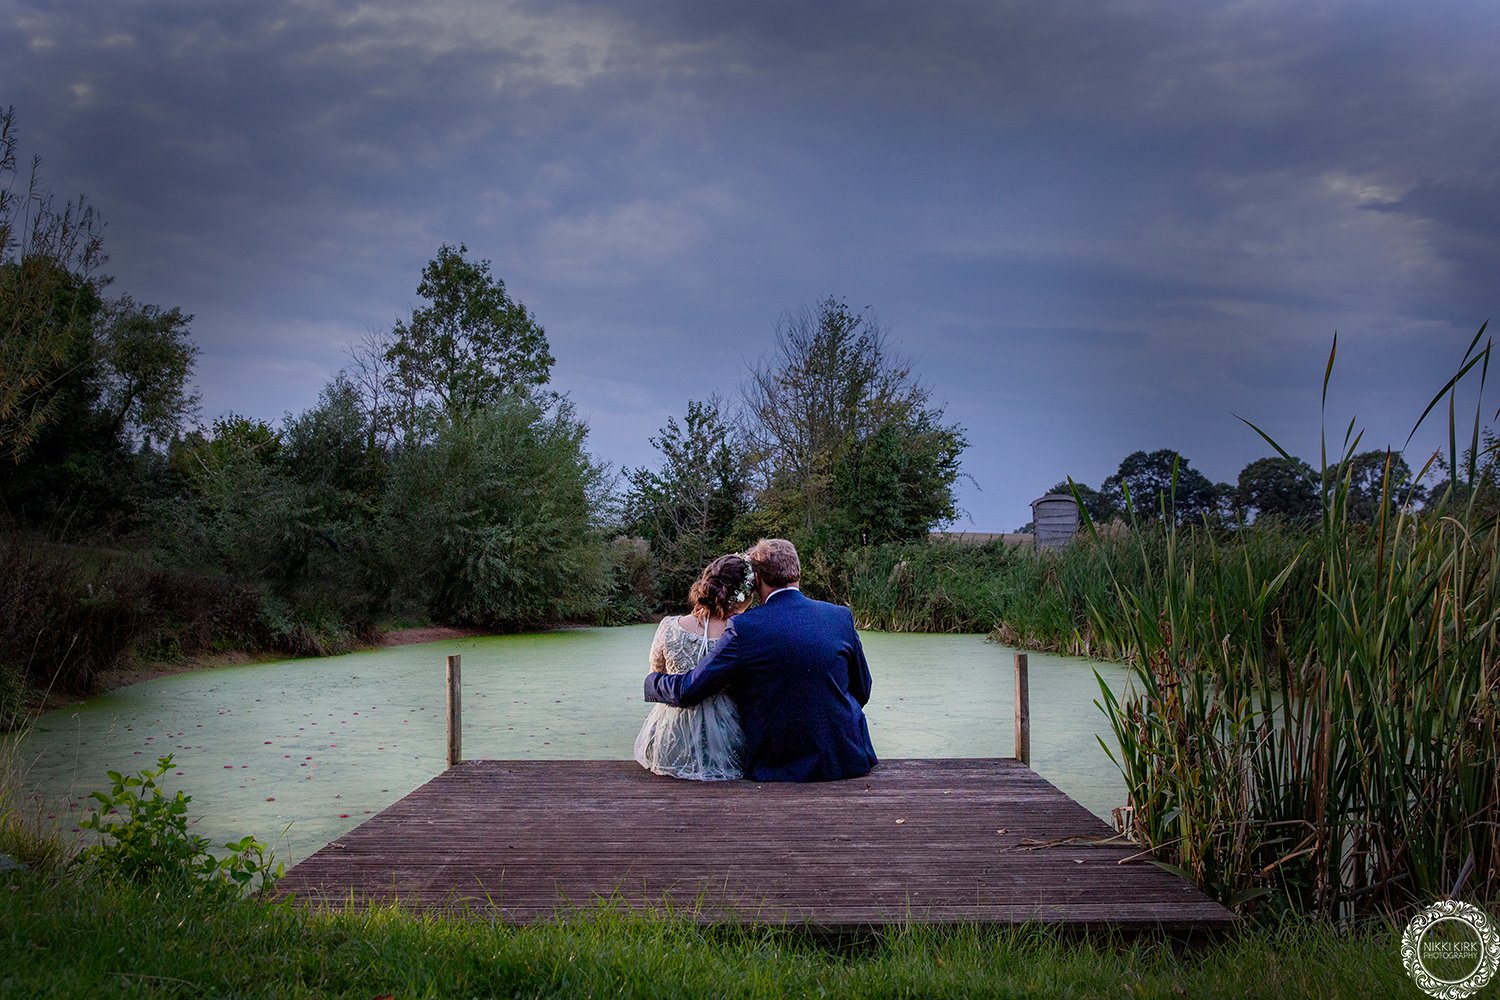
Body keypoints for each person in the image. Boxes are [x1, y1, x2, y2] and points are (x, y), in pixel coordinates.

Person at [643, 538, 878, 782]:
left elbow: (691, 689)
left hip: (780, 765)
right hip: (847, 757)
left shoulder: (745, 627)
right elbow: (862, 688)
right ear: (798, 572)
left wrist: (653, 681)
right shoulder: (840, 616)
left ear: (757, 580)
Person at [633, 553, 752, 780]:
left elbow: (656, 675)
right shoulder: (741, 633)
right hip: (724, 737)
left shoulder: (668, 626)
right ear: (742, 595)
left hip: (670, 735)